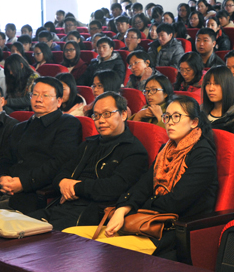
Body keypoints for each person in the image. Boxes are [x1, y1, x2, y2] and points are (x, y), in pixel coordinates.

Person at [66, 95, 217, 259]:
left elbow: (177, 201)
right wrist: (123, 209)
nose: (170, 122)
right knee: (70, 236)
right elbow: (144, 185)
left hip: (170, 229)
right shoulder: (166, 150)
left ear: (194, 122)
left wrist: (136, 208)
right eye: (167, 117)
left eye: (176, 116)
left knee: (102, 251)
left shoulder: (203, 155)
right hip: (145, 221)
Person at [30, 91, 149, 230]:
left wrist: (75, 187)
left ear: (123, 114)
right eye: (96, 115)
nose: (100, 120)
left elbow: (114, 188)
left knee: (32, 237)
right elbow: (62, 172)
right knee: (17, 226)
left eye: (107, 114)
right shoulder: (89, 144)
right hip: (61, 207)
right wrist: (62, 182)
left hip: (90, 215)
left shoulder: (134, 151)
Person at [0, 77, 83, 214]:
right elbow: (5, 158)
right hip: (4, 189)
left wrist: (23, 183)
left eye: (45, 95)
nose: (38, 99)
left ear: (59, 101)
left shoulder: (68, 124)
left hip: (35, 193)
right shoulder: (19, 127)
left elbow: (59, 163)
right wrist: (2, 177)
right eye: (35, 94)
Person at [202, 66, 234, 147]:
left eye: (216, 84)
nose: (211, 88)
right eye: (208, 83)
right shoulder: (200, 111)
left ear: (228, 86)